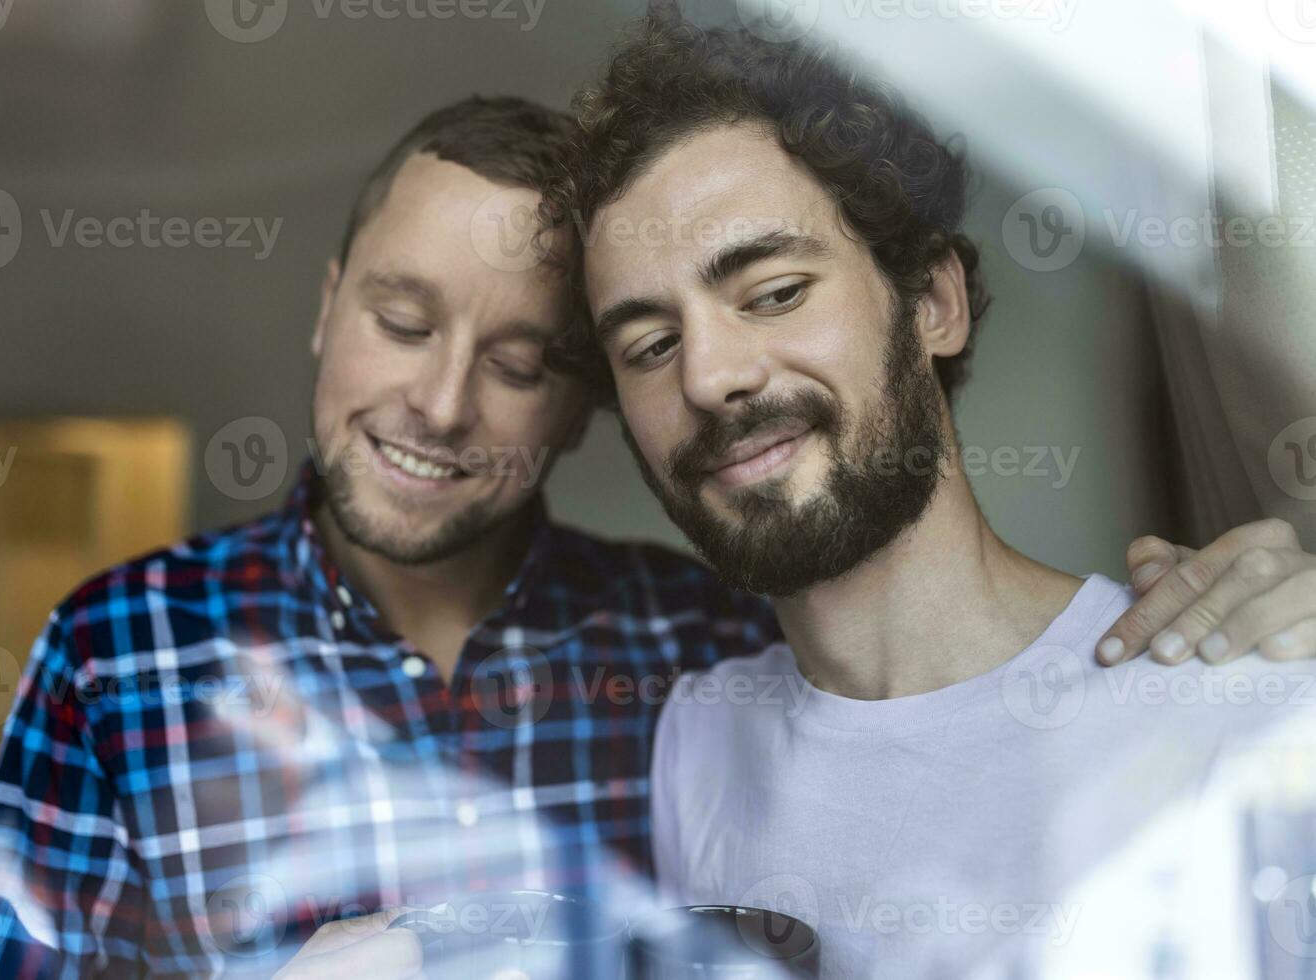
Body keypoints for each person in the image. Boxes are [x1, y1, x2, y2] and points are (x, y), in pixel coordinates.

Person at [0, 86, 1312, 980]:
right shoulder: (116, 653)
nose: (434, 398)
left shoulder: (686, 660)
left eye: (527, 359)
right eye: (401, 320)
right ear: (326, 306)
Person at [543, 13, 1316, 978]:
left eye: (775, 292)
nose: (708, 377)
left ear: (933, 303)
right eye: (650, 346)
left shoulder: (1245, 700)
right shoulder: (695, 744)